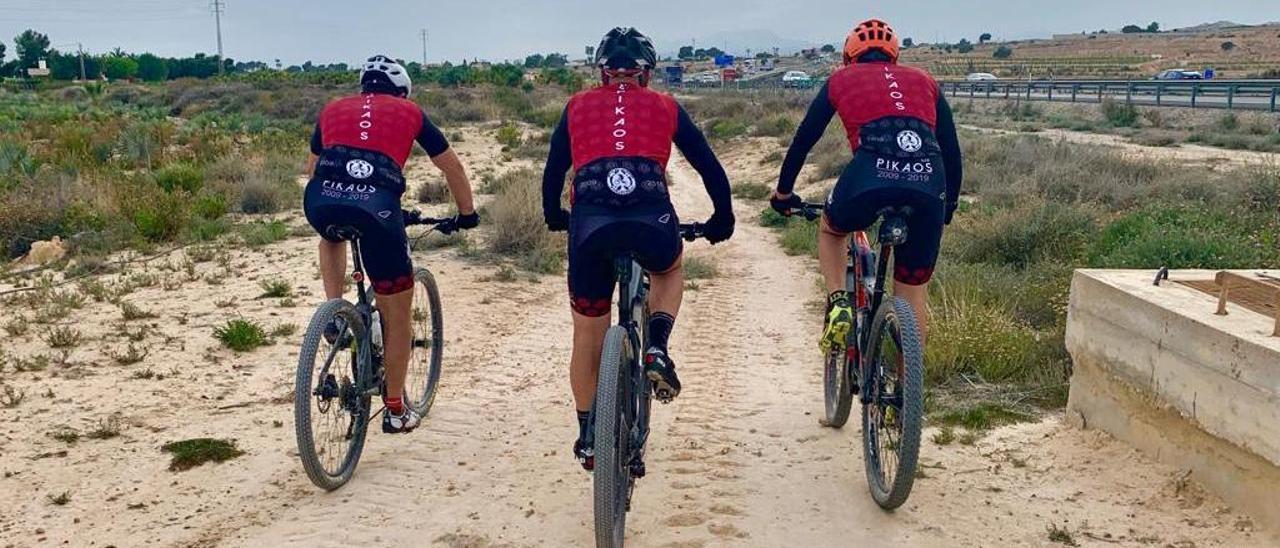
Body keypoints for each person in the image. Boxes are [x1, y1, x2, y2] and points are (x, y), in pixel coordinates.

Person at [541, 28, 736, 470]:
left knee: (587, 334)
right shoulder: (665, 104)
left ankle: (589, 434)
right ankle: (657, 347)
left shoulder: (577, 105)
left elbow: (554, 169)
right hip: (651, 217)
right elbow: (707, 164)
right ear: (646, 73)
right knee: (667, 270)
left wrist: (554, 215)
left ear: (602, 73)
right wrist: (722, 216)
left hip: (590, 222)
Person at [304, 55, 479, 433]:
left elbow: (312, 166)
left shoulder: (333, 108)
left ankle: (334, 309)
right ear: (401, 92)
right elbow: (451, 167)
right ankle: (396, 409)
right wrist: (466, 214)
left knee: (330, 233)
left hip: (321, 199)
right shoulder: (410, 111)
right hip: (379, 211)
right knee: (397, 315)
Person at [770, 18, 962, 351]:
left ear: (849, 56)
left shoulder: (840, 78)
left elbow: (805, 139)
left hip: (869, 176)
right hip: (930, 182)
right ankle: (906, 394)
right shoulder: (925, 80)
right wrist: (949, 205)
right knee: (912, 290)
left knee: (832, 230)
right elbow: (952, 150)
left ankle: (838, 301)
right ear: (894, 56)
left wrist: (784, 193)